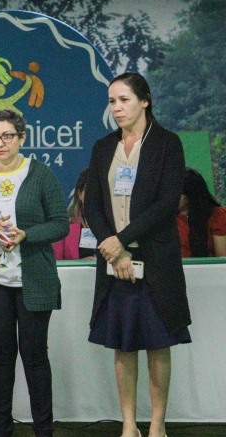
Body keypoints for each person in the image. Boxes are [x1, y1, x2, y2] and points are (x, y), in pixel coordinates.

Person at [84, 72, 191, 437]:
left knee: (159, 344)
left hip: (156, 260)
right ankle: (129, 424)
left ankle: (157, 424)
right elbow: (92, 205)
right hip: (114, 264)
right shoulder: (103, 147)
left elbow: (166, 203)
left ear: (145, 101)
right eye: (112, 101)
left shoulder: (167, 144)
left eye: (124, 99)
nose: (116, 108)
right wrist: (114, 250)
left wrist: (123, 240)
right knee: (123, 343)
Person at [0, 109, 68, 437]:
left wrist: (26, 234)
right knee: (1, 360)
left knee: (35, 359)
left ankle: (44, 431)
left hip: (35, 283)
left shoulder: (40, 173)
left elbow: (60, 224)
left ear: (22, 138)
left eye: (7, 136)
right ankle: (2, 431)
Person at [177, 167, 226, 258]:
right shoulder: (165, 217)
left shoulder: (217, 215)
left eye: (177, 193)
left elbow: (222, 259)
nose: (171, 197)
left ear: (191, 193)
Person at [52, 168, 96, 260]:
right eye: (89, 191)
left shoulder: (113, 222)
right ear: (79, 194)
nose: (94, 196)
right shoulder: (65, 223)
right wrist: (81, 263)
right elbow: (57, 261)